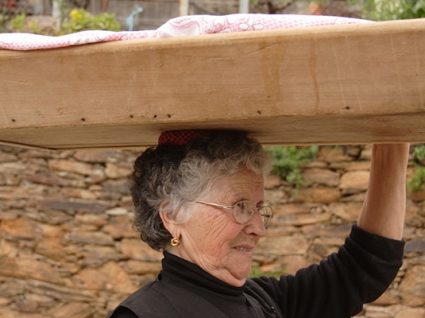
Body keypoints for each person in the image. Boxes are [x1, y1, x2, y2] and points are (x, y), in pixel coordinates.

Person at [109, 130, 409, 318]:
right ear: (172, 216)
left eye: (259, 208)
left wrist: (393, 139)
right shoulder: (145, 315)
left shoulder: (263, 301)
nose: (258, 228)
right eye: (239, 207)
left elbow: (363, 269)